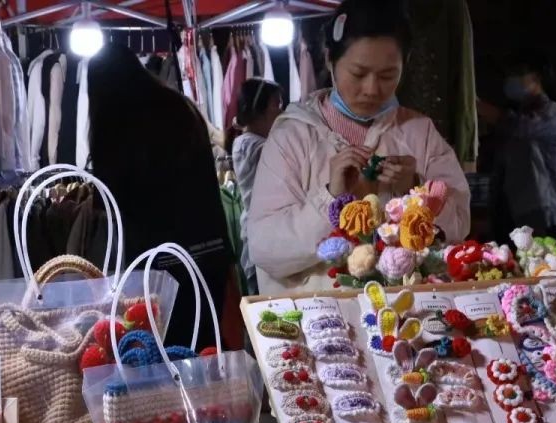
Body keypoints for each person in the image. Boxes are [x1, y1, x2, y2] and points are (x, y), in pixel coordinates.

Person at [247, 0, 470, 295]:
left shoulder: (419, 132)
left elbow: (458, 226)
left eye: (388, 75)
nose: (372, 89)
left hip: (402, 321)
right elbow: (265, 249)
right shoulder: (292, 136)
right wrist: (331, 200)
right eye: (358, 73)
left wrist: (416, 191)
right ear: (330, 59)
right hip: (316, 321)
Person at [88, 43, 236, 349]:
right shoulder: (179, 107)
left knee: (163, 355)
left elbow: (110, 202)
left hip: (155, 262)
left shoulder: (113, 127)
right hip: (208, 249)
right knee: (207, 346)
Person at [483, 50, 556, 245]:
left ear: (536, 78)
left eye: (518, 74)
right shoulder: (518, 112)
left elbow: (519, 127)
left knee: (542, 268)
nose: (512, 79)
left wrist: (475, 105)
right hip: (512, 209)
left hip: (540, 211)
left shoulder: (550, 112)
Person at [231, 79, 283, 296]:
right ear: (259, 107)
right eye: (276, 104)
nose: (281, 110)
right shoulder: (254, 146)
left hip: (261, 233)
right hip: (261, 236)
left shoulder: (246, 141)